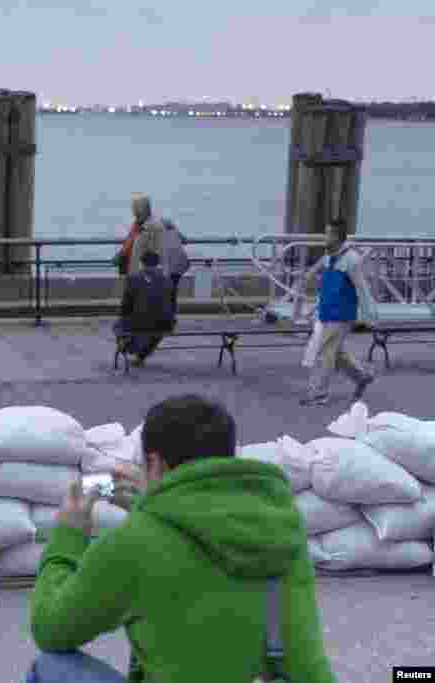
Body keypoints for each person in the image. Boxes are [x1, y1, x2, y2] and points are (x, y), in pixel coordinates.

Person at [26, 394, 336, 683]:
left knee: (49, 666)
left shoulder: (132, 544)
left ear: (156, 463)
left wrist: (68, 534)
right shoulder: (281, 528)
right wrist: (152, 509)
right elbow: (306, 665)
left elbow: (50, 628)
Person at [297, 218, 378, 407]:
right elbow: (323, 283)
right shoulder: (328, 257)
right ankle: (361, 377)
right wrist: (313, 305)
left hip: (341, 315)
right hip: (327, 312)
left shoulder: (352, 260)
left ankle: (318, 394)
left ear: (336, 237)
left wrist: (370, 316)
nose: (324, 237)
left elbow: (362, 289)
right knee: (336, 353)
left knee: (324, 352)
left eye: (327, 234)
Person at [114, 251, 175, 368]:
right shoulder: (168, 280)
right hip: (164, 324)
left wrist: (123, 318)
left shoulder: (133, 279)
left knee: (118, 326)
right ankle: (140, 357)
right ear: (158, 263)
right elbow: (172, 304)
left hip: (139, 323)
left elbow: (126, 306)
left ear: (142, 263)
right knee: (158, 329)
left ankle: (125, 345)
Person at [127, 193, 167, 276]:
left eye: (135, 208)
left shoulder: (153, 227)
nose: (133, 211)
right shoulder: (140, 225)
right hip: (139, 275)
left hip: (147, 277)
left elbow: (157, 254)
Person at [161, 217, 190, 312]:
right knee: (173, 287)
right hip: (179, 264)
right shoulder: (175, 231)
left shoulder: (159, 234)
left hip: (169, 266)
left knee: (167, 289)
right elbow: (185, 241)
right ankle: (172, 310)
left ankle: (168, 310)